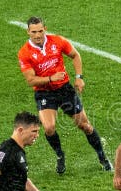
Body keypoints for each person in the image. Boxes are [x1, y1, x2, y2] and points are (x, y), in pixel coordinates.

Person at [17, 16, 111, 174]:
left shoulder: (57, 41)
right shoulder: (24, 53)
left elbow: (75, 55)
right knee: (48, 127)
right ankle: (60, 155)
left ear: (45, 28)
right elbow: (31, 80)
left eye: (40, 31)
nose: (38, 35)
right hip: (44, 92)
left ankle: (102, 157)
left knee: (85, 126)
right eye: (34, 32)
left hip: (64, 90)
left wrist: (79, 77)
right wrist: (50, 78)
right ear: (28, 32)